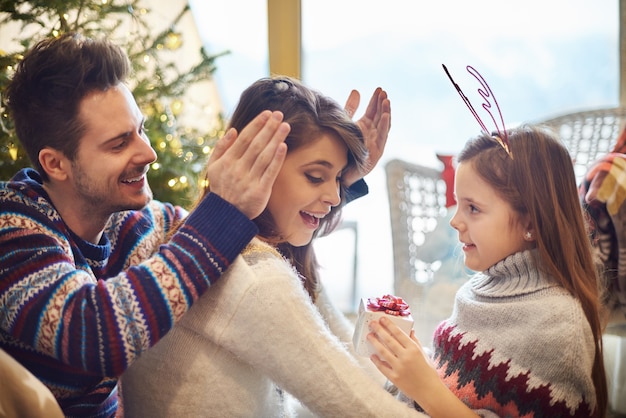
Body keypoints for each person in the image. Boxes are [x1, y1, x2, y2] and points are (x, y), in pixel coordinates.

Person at [0, 33, 390, 417]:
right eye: (119, 144)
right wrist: (224, 210)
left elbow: (256, 235)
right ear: (55, 164)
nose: (148, 153)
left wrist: (341, 180)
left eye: (140, 130)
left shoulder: (131, 224)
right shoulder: (12, 229)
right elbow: (95, 332)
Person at [120, 76, 424, 418]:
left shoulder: (213, 242)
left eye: (339, 178)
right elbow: (362, 409)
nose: (337, 197)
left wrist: (423, 386)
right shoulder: (257, 278)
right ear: (257, 166)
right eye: (315, 176)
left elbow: (350, 364)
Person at [367, 126, 608, 417]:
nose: (455, 221)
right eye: (457, 204)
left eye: (473, 208)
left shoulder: (559, 326)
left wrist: (423, 386)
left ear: (530, 222)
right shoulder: (477, 289)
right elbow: (460, 392)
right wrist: (418, 363)